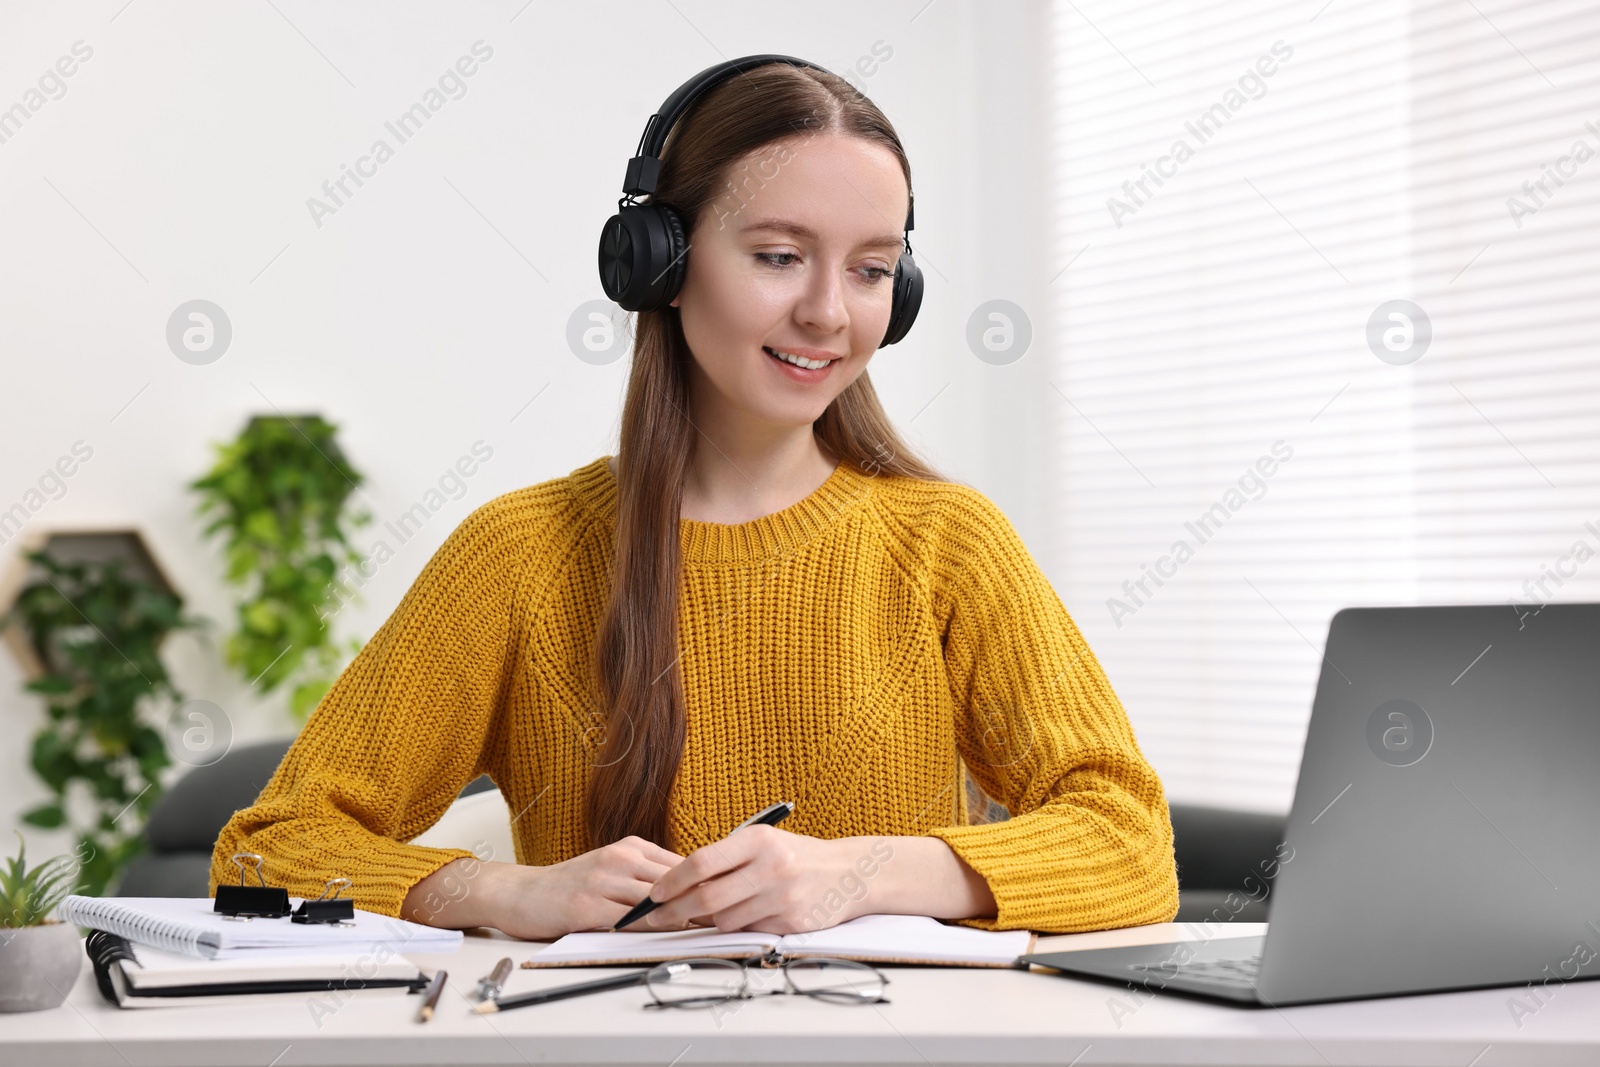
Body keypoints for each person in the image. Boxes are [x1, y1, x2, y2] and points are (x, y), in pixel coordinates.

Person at [210, 60, 1179, 941]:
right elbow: (269, 847)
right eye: (777, 254)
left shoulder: (946, 541)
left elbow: (1128, 844)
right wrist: (507, 891)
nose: (830, 313)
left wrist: (860, 871)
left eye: (872, 269)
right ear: (659, 263)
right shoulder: (519, 551)